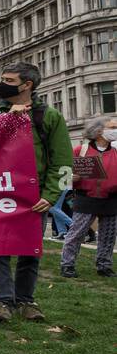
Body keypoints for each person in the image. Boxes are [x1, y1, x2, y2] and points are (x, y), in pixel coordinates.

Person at [0, 63, 73, 322]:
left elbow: (62, 162)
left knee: (30, 251)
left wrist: (50, 196)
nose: (2, 83)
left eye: (8, 79)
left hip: (34, 198)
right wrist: (6, 120)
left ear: (27, 85)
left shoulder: (49, 117)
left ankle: (26, 300)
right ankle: (2, 301)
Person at [60, 117, 117, 278]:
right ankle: (67, 264)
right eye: (112, 127)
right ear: (99, 131)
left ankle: (104, 265)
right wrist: (72, 177)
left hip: (111, 199)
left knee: (108, 235)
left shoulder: (115, 151)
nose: (115, 130)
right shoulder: (81, 150)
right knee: (77, 233)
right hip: (86, 198)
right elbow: (64, 175)